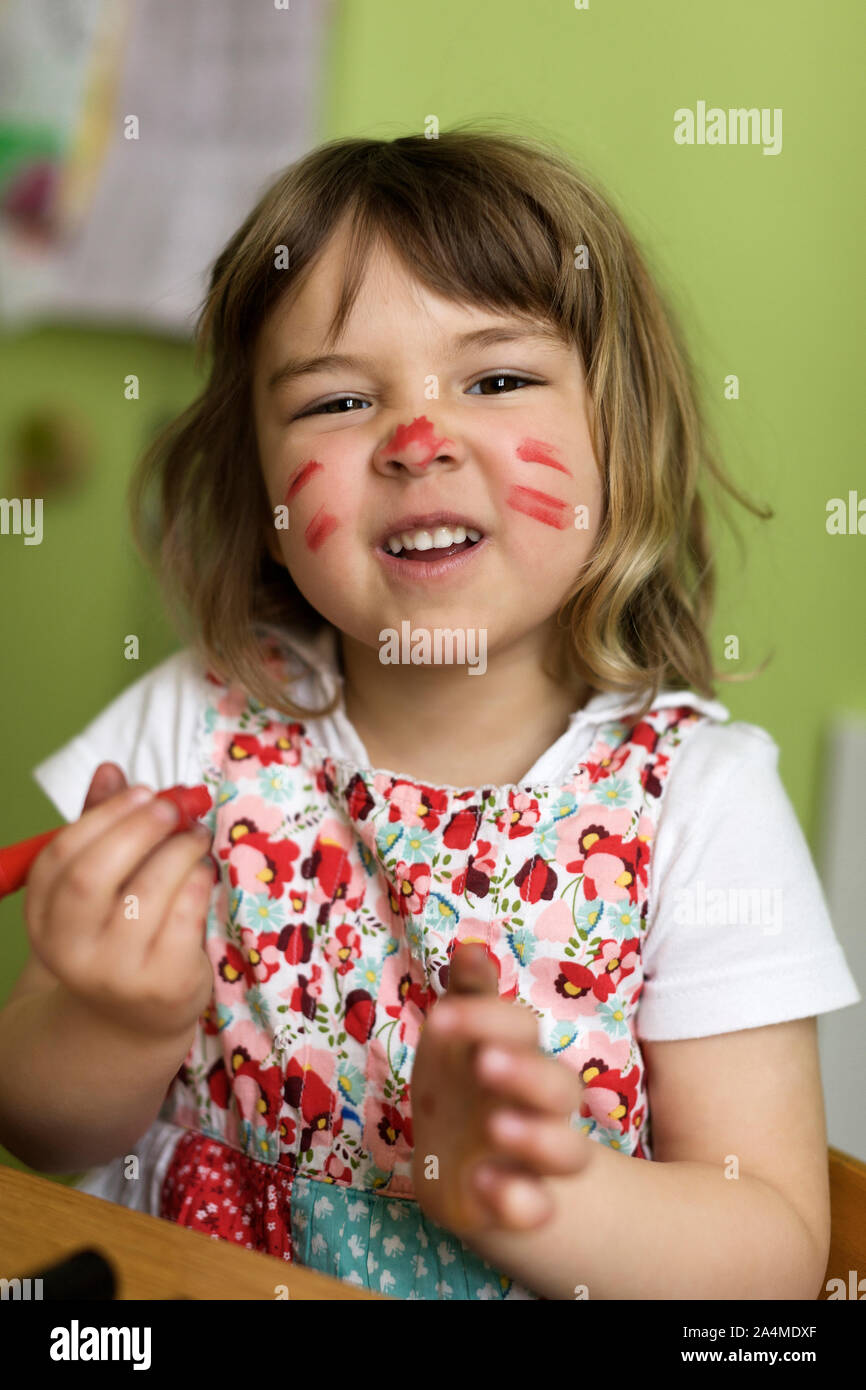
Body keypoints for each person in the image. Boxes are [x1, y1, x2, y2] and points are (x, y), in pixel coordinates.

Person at [2, 128, 859, 1300]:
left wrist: (541, 1199)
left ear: (618, 426)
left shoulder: (694, 800)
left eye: (496, 378)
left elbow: (771, 1256)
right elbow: (40, 1132)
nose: (417, 442)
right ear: (256, 487)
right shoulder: (188, 726)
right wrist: (112, 1018)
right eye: (339, 400)